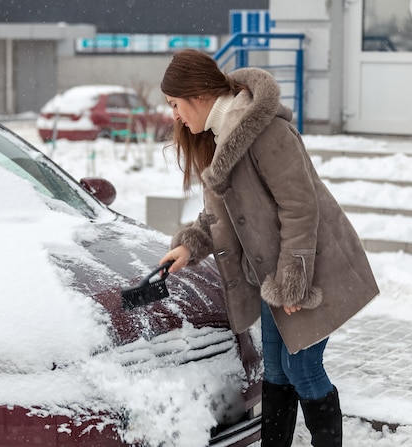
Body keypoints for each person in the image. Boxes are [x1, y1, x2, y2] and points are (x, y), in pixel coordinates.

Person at [158, 49, 379, 447]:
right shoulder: (220, 138)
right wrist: (191, 245)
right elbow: (221, 215)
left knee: (302, 368)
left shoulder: (265, 131)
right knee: (276, 371)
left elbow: (300, 206)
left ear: (198, 95)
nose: (174, 114)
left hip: (309, 267)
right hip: (267, 274)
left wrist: (294, 278)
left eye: (175, 104)